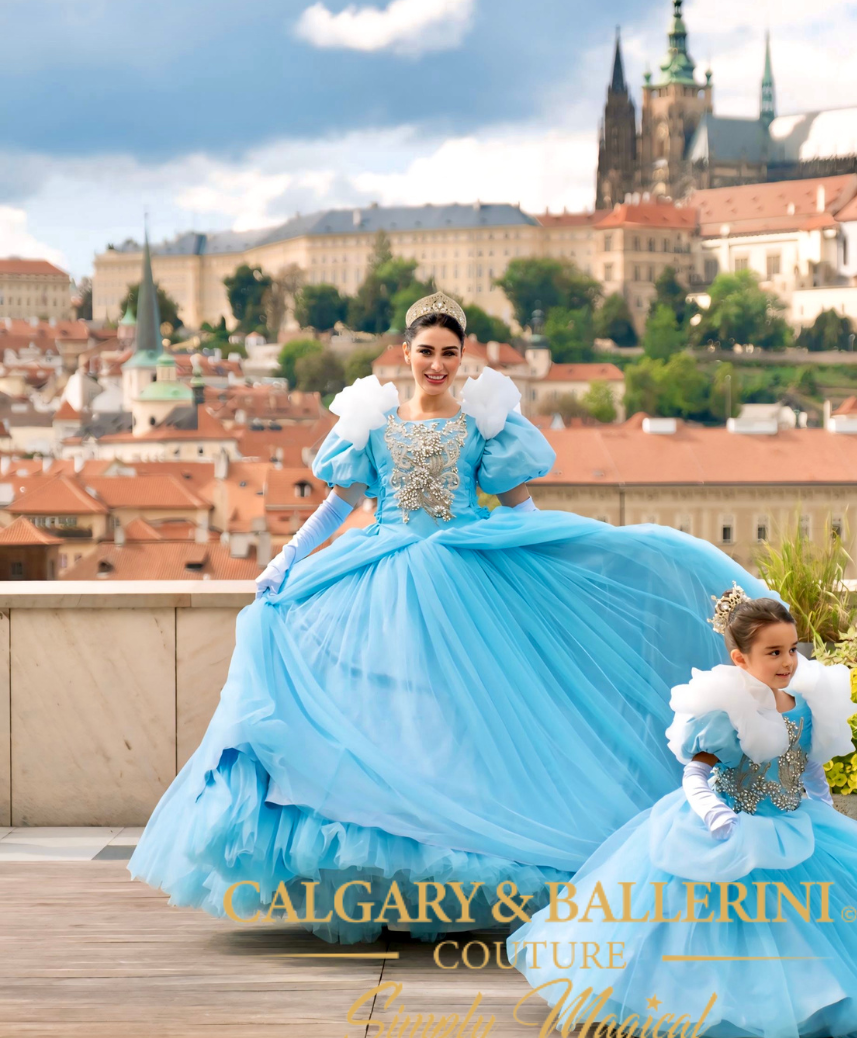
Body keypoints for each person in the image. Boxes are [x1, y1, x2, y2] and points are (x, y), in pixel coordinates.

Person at [128, 292, 779, 943]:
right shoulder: (372, 419)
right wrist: (287, 560)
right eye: (426, 352)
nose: (436, 364)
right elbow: (339, 503)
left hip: (464, 574)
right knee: (379, 716)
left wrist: (556, 566)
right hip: (379, 576)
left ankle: (445, 868)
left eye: (449, 353)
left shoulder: (483, 422)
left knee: (452, 729)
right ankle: (382, 878)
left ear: (462, 358)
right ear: (405, 353)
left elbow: (525, 510)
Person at [507, 588, 857, 1038]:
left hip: (794, 823)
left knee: (813, 919)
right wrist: (713, 814)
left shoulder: (806, 706)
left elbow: (807, 766)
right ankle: (713, 1003)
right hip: (730, 823)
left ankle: (822, 1000)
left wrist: (826, 810)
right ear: (740, 658)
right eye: (773, 652)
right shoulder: (726, 713)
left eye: (791, 649)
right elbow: (696, 773)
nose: (787, 661)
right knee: (718, 921)